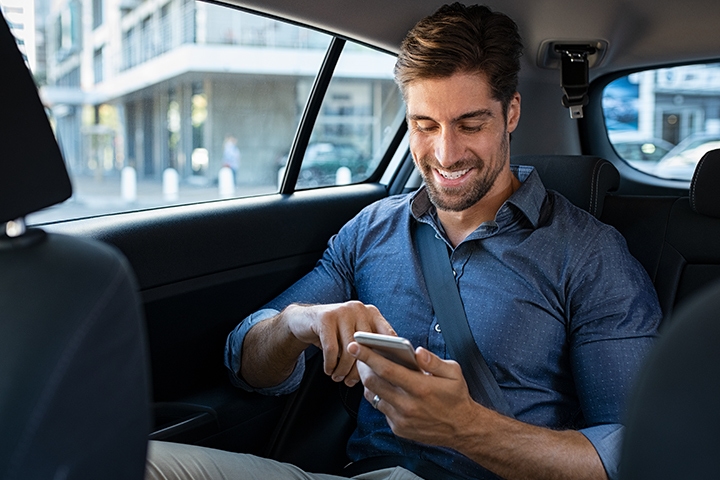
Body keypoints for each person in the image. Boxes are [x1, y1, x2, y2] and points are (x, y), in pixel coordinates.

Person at [146, 3, 661, 480]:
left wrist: (467, 428)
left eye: (470, 124)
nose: (445, 152)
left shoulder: (589, 254)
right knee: (135, 456)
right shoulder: (371, 230)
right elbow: (247, 365)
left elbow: (632, 450)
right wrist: (297, 322)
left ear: (511, 113)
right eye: (424, 124)